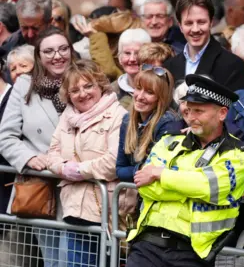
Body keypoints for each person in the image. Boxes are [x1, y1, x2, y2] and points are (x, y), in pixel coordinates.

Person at [125, 74, 244, 267]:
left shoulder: (238, 153)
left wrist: (161, 174)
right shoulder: (169, 140)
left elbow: (208, 187)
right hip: (146, 245)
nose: (191, 118)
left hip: (192, 253)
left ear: (222, 113)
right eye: (188, 111)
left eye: (199, 111)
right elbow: (145, 187)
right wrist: (189, 187)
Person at [47, 59, 136, 265]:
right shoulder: (67, 117)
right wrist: (62, 168)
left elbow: (114, 161)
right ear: (67, 95)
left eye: (88, 86)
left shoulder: (118, 115)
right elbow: (52, 153)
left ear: (100, 85)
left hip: (109, 211)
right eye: (75, 90)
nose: (83, 94)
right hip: (73, 208)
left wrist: (79, 170)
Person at [0, 26, 74, 267]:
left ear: (71, 51)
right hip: (43, 186)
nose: (57, 56)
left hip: (82, 186)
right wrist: (29, 158)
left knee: (81, 260)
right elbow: (5, 136)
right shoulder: (24, 86)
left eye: (63, 49)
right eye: (49, 51)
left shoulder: (85, 82)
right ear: (39, 56)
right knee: (54, 261)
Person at [116, 66, 184, 182]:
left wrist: (140, 171)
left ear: (161, 97)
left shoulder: (169, 122)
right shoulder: (127, 120)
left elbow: (159, 170)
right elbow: (120, 170)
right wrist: (142, 169)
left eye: (149, 92)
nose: (140, 96)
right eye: (138, 88)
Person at [164, 0, 244, 92]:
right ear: (180, 26)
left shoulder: (233, 65)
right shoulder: (169, 66)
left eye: (201, 22)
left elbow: (233, 106)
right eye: (189, 23)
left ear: (211, 23)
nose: (195, 29)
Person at [113, 28, 152, 109]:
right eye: (127, 53)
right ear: (120, 58)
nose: (132, 59)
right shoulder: (111, 91)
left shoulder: (161, 87)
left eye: (138, 53)